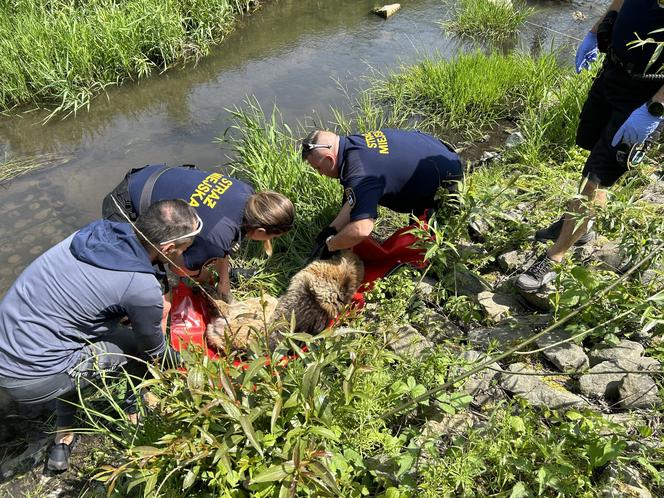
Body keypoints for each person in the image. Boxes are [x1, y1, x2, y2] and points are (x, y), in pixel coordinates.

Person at [0, 199, 199, 471]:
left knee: (74, 340)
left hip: (9, 344)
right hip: (32, 379)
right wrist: (189, 366)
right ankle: (134, 417)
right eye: (185, 248)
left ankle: (65, 433)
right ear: (168, 248)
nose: (186, 253)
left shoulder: (93, 234)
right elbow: (155, 351)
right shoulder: (141, 289)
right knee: (135, 348)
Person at [515, 0, 664, 292]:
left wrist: (656, 108)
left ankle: (555, 258)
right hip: (613, 73)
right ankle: (581, 228)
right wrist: (597, 31)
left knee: (595, 177)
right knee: (591, 151)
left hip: (644, 97)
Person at [102, 164, 295, 304]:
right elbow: (179, 268)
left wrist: (223, 281)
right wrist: (202, 275)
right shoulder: (216, 236)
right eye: (273, 237)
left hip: (149, 175)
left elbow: (221, 247)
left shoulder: (246, 192)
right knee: (141, 273)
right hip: (125, 205)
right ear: (261, 231)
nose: (271, 241)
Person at [301, 129, 464, 258]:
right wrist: (332, 229)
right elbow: (354, 201)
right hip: (436, 150)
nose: (321, 174)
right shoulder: (353, 144)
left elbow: (362, 229)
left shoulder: (359, 172)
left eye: (318, 168)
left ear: (330, 160)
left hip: (446, 179)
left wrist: (332, 244)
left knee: (430, 245)